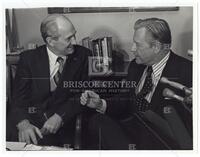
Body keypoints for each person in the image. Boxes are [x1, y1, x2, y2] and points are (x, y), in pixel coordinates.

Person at [80, 18, 192, 150]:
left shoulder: (188, 71)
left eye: (137, 45)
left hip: (160, 141)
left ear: (156, 47)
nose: (132, 49)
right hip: (132, 132)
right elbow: (125, 101)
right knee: (97, 120)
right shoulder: (135, 66)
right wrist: (100, 103)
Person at [7, 14, 91, 147]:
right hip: (31, 123)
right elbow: (18, 100)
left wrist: (60, 116)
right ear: (51, 41)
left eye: (74, 35)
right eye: (69, 38)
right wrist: (23, 124)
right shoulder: (28, 59)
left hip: (63, 126)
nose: (75, 42)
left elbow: (83, 94)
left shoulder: (83, 56)